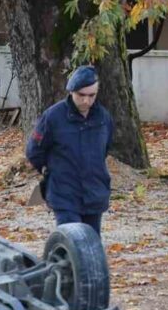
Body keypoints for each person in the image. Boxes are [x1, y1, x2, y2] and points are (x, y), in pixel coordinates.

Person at [25, 65, 114, 235]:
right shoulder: (53, 117)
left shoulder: (103, 118)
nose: (86, 101)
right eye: (81, 95)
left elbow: (105, 149)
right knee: (72, 241)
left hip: (94, 193)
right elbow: (34, 151)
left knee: (91, 244)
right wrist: (48, 170)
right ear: (71, 91)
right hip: (64, 193)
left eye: (91, 95)